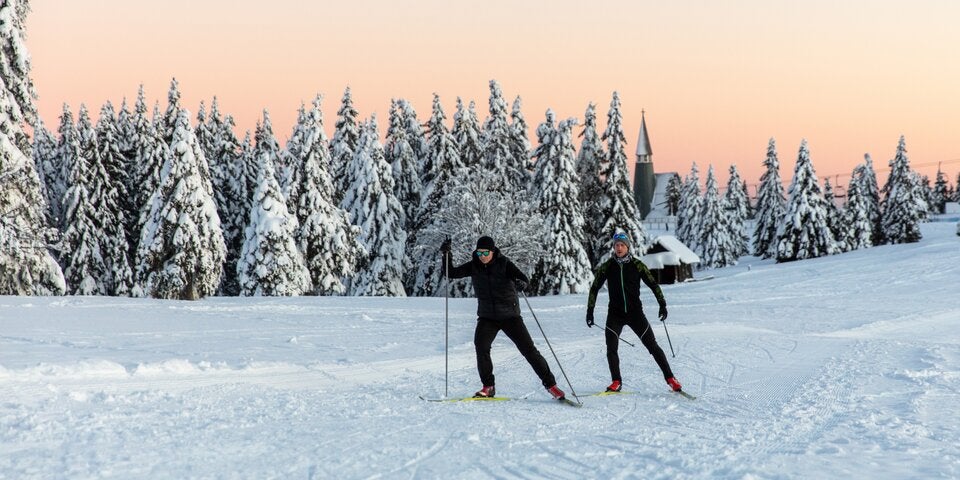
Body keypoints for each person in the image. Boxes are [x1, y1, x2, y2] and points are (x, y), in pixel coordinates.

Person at [441, 235, 566, 401]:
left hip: (510, 316)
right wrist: (446, 255)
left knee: (529, 350)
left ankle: (551, 386)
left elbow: (524, 279)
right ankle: (488, 387)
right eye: (479, 253)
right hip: (487, 317)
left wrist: (522, 284)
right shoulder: (474, 266)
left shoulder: (504, 264)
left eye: (485, 252)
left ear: (492, 251)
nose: (482, 256)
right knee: (481, 346)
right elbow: (451, 273)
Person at [585, 232, 683, 393]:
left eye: (622, 245)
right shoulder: (608, 266)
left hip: (635, 314)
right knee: (611, 349)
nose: (619, 248)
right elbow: (594, 288)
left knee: (653, 346)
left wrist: (662, 304)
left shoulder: (637, 265)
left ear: (627, 247)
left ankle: (671, 378)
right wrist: (590, 311)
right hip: (615, 314)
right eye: (616, 245)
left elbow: (653, 284)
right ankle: (616, 381)